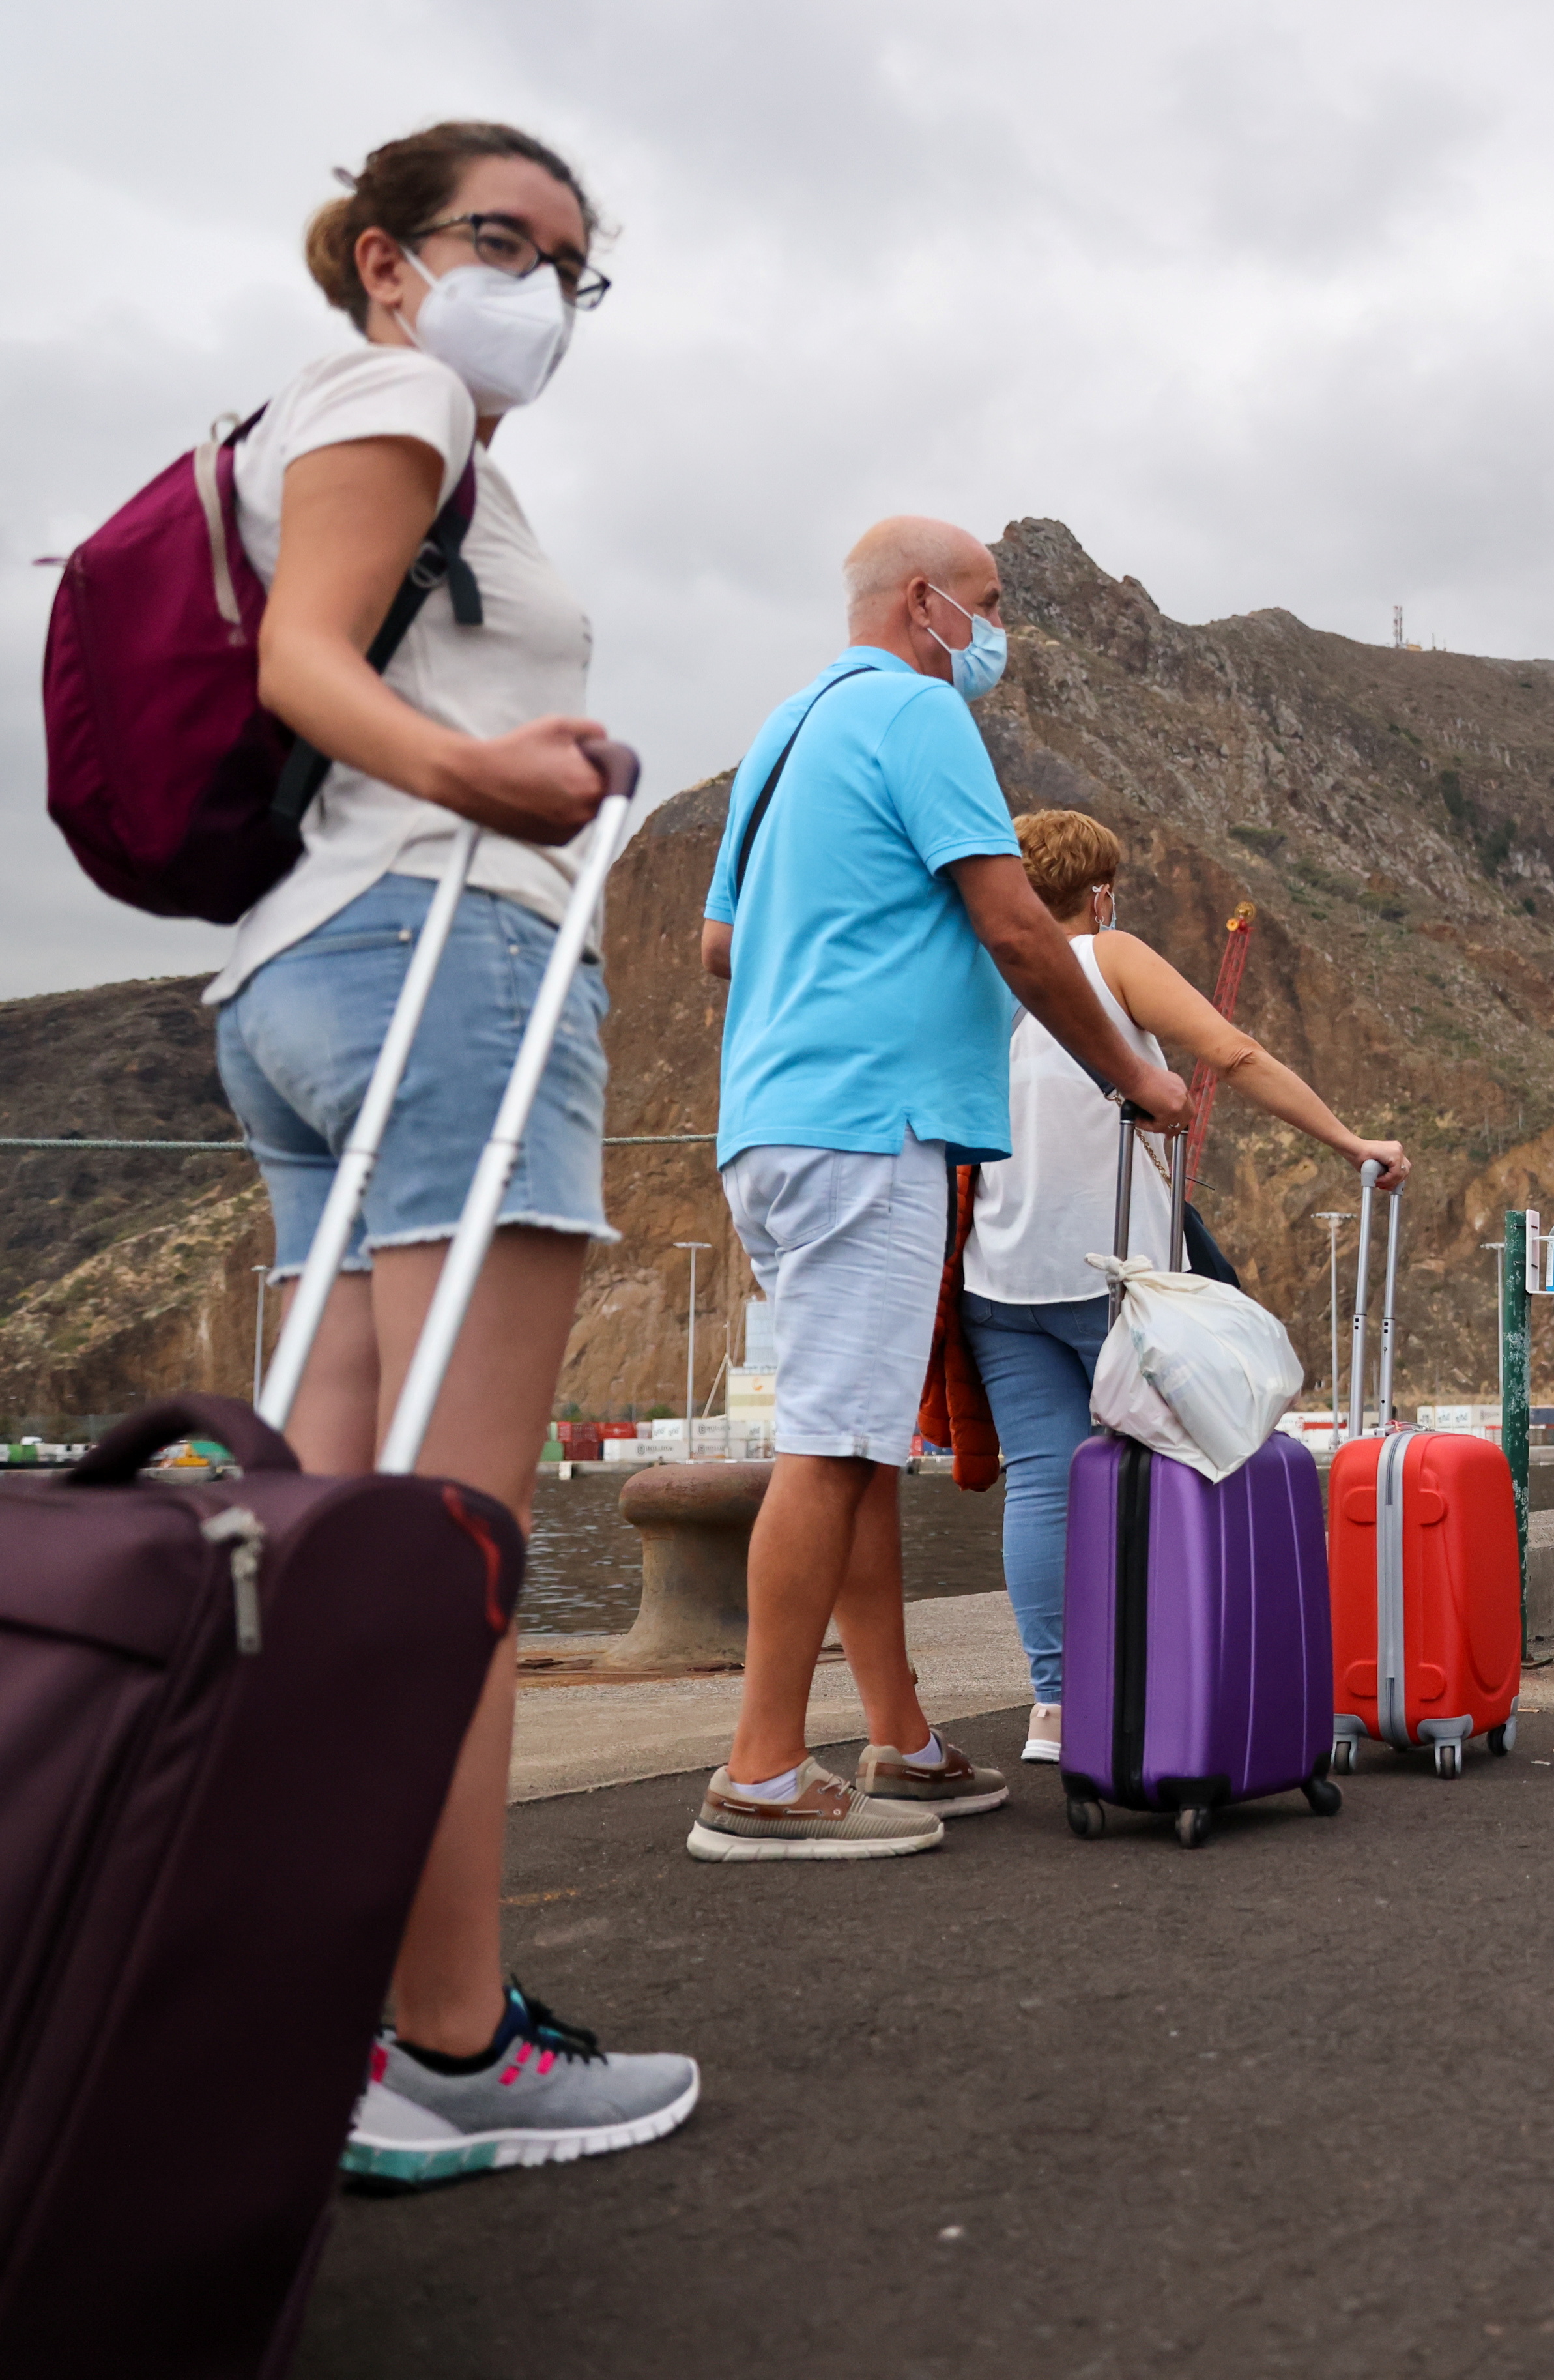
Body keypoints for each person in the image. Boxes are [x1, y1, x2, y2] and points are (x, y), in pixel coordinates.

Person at [210, 121, 697, 2183]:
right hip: (445, 957)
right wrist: (491, 776)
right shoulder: (396, 389)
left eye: (571, 266)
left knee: (315, 1545)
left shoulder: (357, 424)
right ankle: (451, 2044)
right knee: (454, 1554)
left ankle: (280, 2013)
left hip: (300, 983)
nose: (538, 290)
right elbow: (300, 663)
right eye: (502, 241)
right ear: (392, 262)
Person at [689, 519, 1194, 1860]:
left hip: (774, 1124)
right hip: (873, 1124)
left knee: (850, 1438)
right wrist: (1133, 1075)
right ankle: (760, 1770)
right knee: (835, 1448)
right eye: (987, 602)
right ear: (925, 603)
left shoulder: (783, 736)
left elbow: (717, 944)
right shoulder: (916, 717)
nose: (996, 629)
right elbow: (1017, 923)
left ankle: (901, 1738)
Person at [958, 810, 1407, 1767]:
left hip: (997, 1275)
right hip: (1118, 1278)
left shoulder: (983, 971)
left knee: (1042, 1485)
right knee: (1203, 1455)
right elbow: (1231, 1054)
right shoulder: (1109, 956)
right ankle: (1202, 1679)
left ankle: (1055, 1709)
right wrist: (1351, 1143)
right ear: (1100, 892)